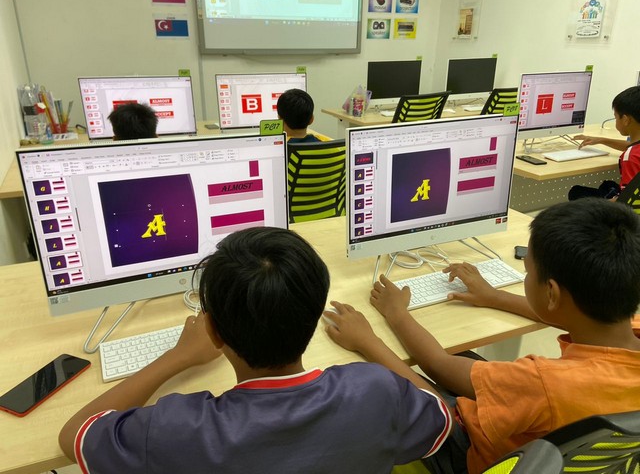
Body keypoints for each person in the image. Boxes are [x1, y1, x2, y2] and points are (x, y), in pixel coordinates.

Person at [58, 227, 452, 473]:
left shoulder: (175, 430)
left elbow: (73, 435)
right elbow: (440, 413)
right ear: (315, 312)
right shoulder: (375, 390)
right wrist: (370, 342)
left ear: (214, 331)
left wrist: (177, 356)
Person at [325, 199, 640, 474]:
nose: (526, 275)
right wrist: (495, 297)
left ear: (552, 293)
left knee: (391, 380)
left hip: (469, 452)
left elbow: (437, 369)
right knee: (463, 359)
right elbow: (566, 311)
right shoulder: (625, 325)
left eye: (528, 271)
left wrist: (382, 327)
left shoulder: (542, 383)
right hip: (550, 445)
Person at [569, 86, 640, 200]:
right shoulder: (635, 151)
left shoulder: (630, 157)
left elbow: (628, 201)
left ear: (626, 120)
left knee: (577, 193)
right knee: (607, 185)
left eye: (615, 117)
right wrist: (602, 140)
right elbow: (635, 147)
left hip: (625, 208)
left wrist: (606, 204)